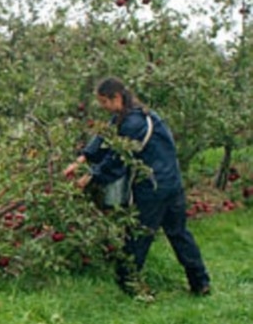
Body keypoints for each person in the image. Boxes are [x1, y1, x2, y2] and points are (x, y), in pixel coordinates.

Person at [63, 76, 211, 297]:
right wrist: (82, 159)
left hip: (153, 187)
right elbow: (106, 137)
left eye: (104, 101)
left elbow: (119, 157)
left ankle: (128, 283)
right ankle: (200, 282)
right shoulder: (135, 115)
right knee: (179, 233)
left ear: (117, 97)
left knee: (138, 234)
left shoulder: (135, 123)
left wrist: (92, 177)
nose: (103, 107)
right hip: (172, 183)